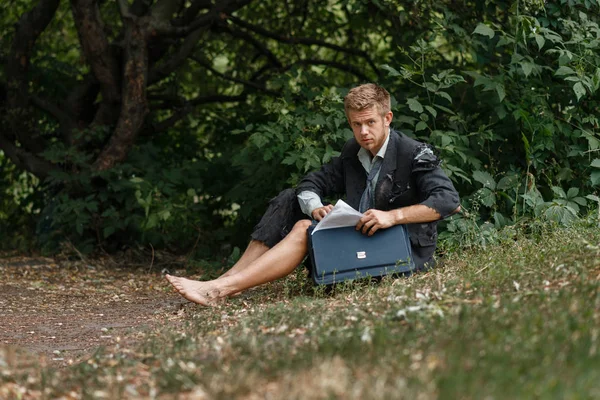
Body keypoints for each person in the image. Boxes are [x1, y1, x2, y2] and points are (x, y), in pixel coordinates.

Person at [166, 83, 460, 306]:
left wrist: (392, 216)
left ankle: (219, 289)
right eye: (356, 124)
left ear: (388, 118)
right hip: (358, 240)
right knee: (290, 199)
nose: (363, 131)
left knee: (304, 229)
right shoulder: (352, 151)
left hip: (398, 252)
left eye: (370, 122)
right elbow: (311, 182)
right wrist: (316, 206)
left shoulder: (414, 152)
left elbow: (448, 200)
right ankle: (226, 281)